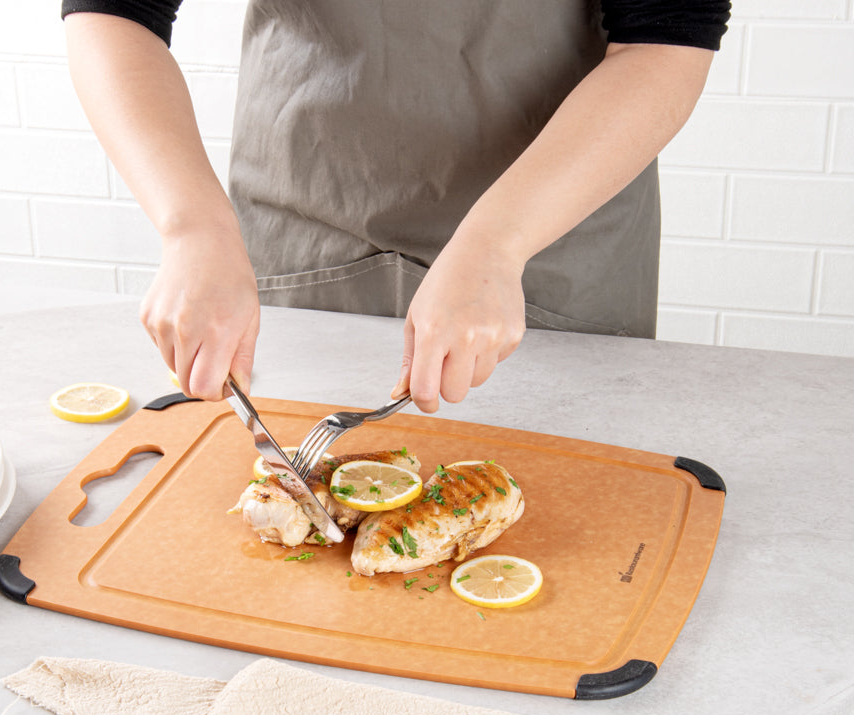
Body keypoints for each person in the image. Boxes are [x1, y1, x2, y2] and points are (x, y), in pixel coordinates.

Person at [60, 1, 730, 413]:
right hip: (305, 227)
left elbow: (665, 37)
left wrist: (497, 243)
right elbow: (115, 9)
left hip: (552, 239)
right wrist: (192, 228)